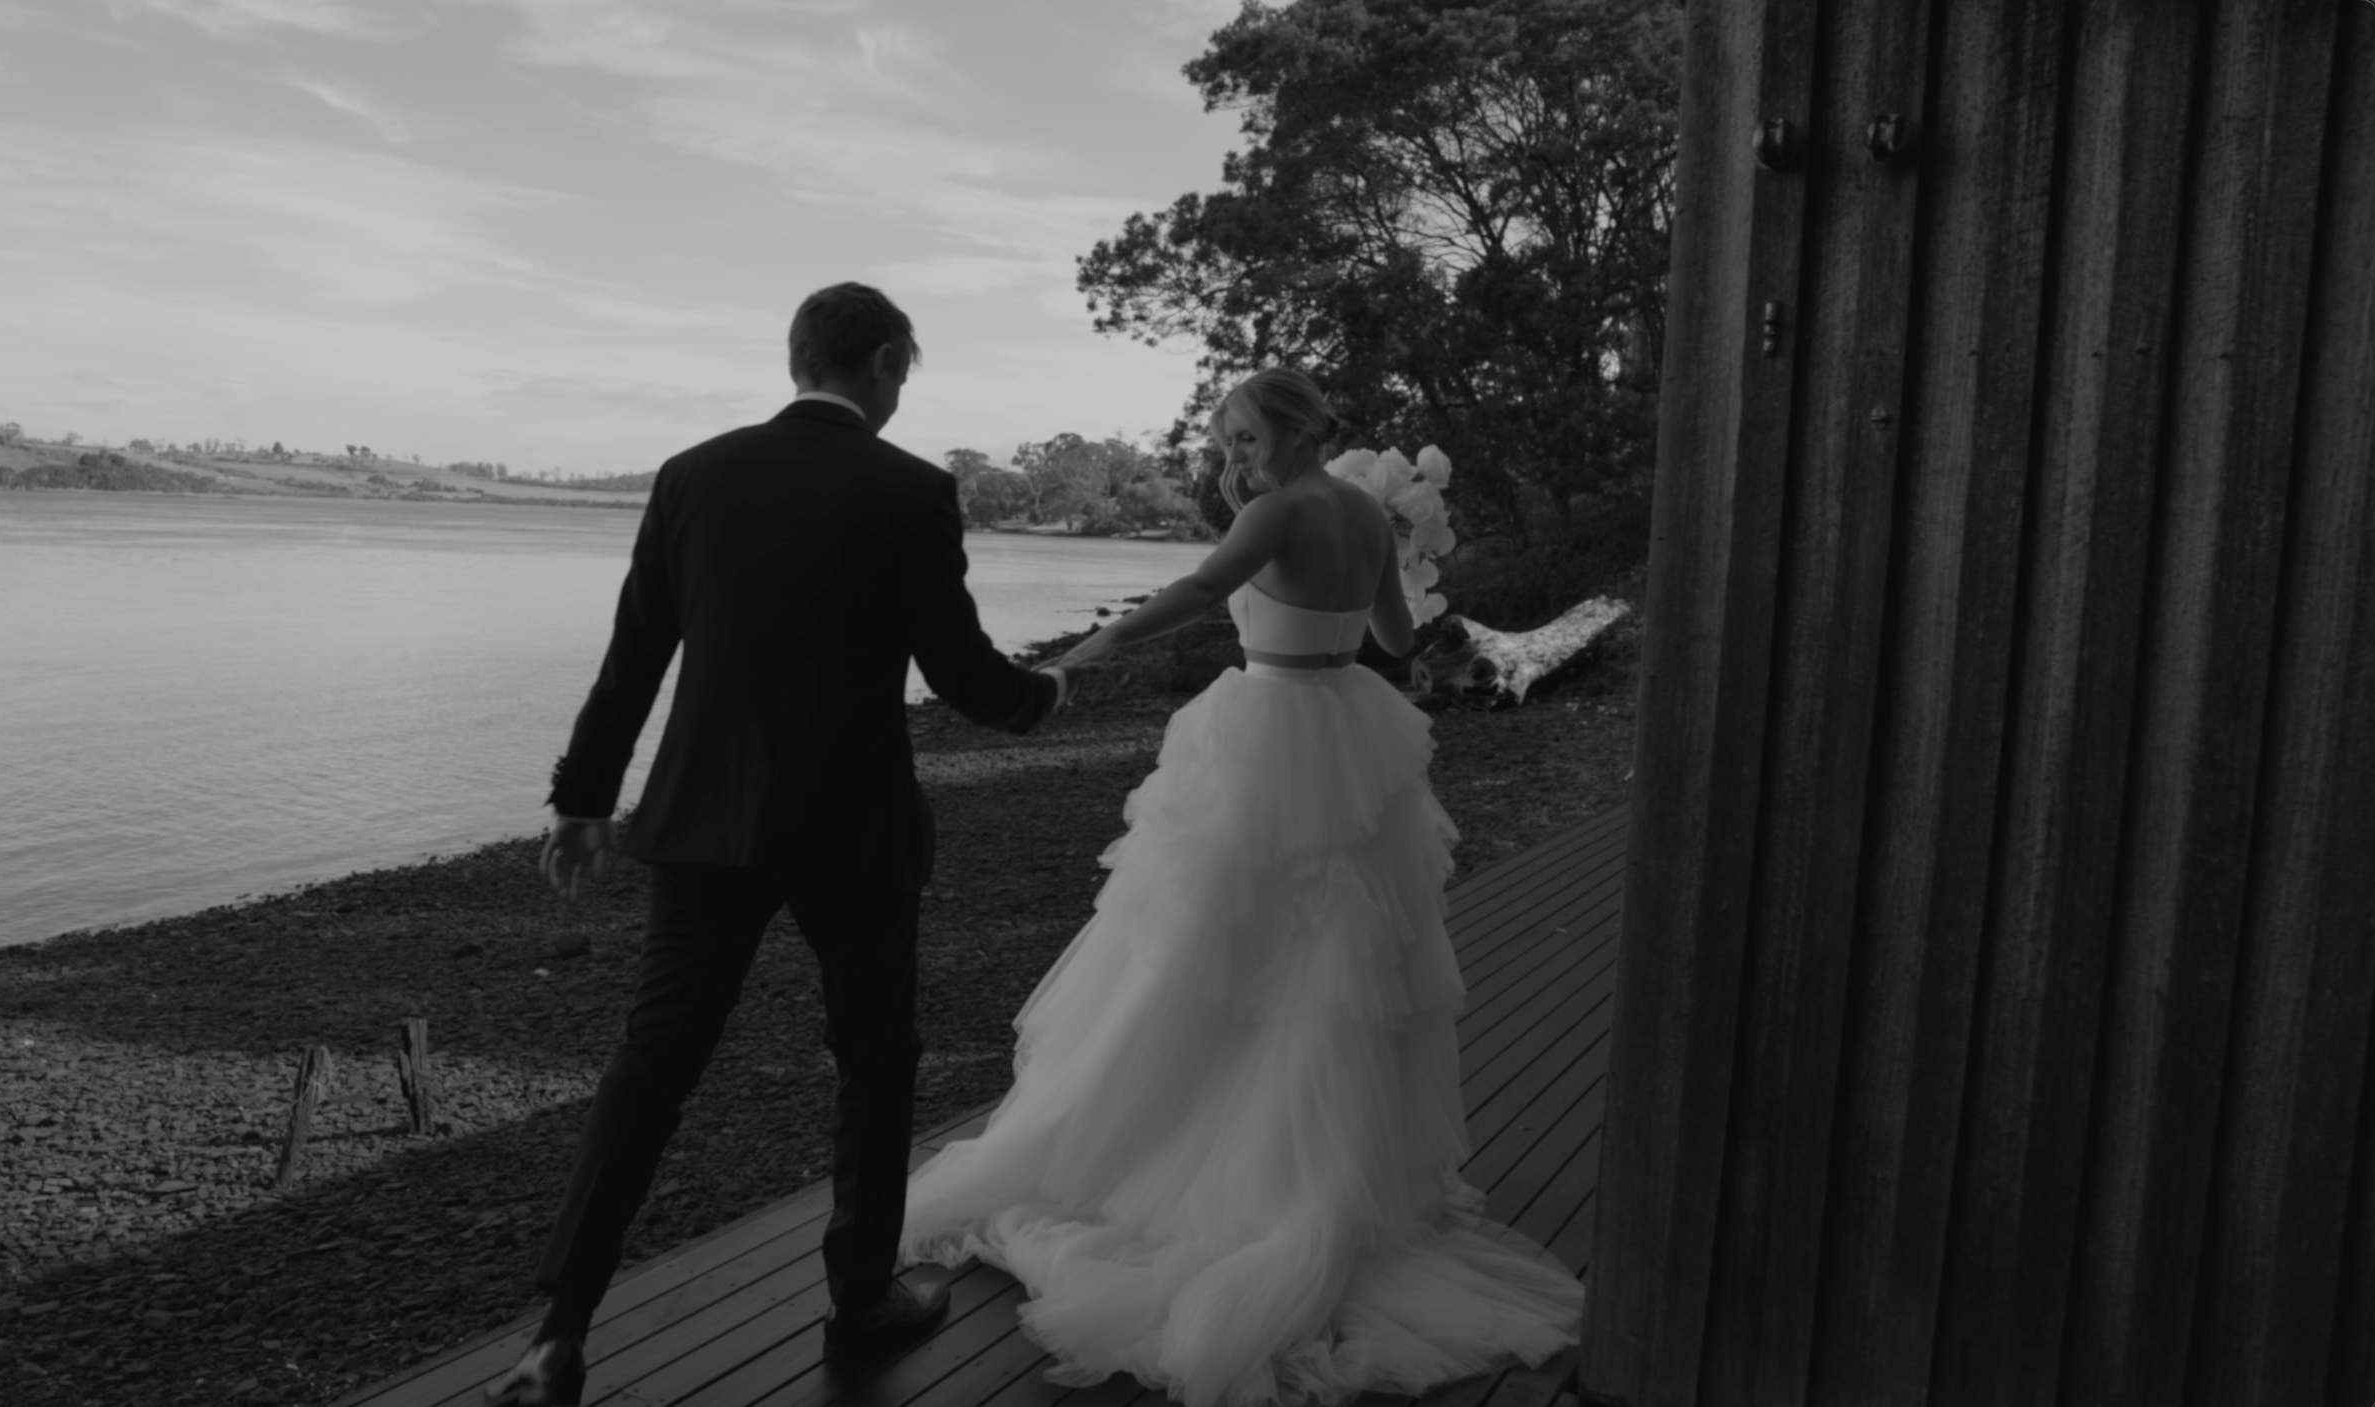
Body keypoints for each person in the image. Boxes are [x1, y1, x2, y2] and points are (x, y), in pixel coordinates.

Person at [895, 368, 1584, 1407]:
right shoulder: (1364, 512)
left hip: (1265, 738)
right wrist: (1365, 569)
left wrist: (1098, 645)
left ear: (1298, 431)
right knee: (1330, 960)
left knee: (1204, 947)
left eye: (1246, 437)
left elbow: (1198, 592)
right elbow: (1396, 642)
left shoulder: (1280, 508)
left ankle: (1203, 1164)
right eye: (1228, 440)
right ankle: (1316, 1167)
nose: (1235, 456)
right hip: (1347, 730)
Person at [484, 283, 1076, 1406]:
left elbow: (634, 657)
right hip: (853, 828)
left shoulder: (692, 474)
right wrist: (1040, 695)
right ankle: (860, 1300)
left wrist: (581, 801)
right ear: (886, 361)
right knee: (874, 1061)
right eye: (906, 370)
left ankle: (558, 1332)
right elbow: (961, 673)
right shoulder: (910, 489)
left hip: (704, 822)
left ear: (799, 358)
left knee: (653, 1065)